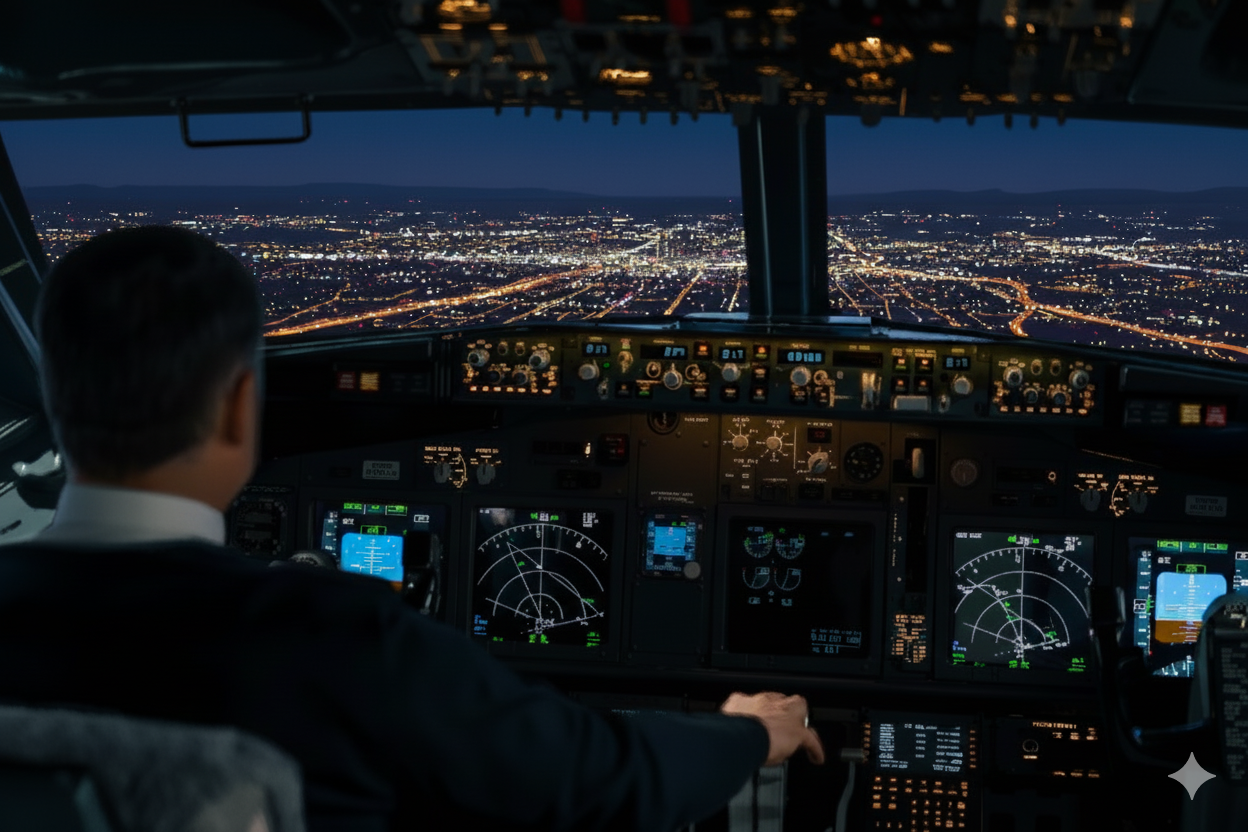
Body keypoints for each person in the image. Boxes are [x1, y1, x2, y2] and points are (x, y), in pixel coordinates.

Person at [0, 226, 824, 832]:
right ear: (240, 407)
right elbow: (607, 783)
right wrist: (749, 731)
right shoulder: (339, 638)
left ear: (58, 403)